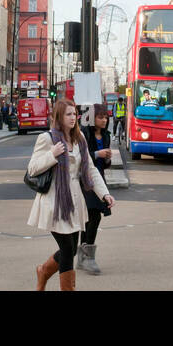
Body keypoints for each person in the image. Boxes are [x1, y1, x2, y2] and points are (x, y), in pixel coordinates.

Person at [29, 99, 115, 290]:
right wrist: (51, 154)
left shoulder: (80, 139)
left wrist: (104, 194)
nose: (72, 117)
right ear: (59, 117)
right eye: (68, 114)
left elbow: (91, 170)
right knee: (68, 249)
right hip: (55, 201)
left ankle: (43, 271)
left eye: (74, 114)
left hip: (75, 200)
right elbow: (32, 169)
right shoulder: (47, 139)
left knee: (70, 250)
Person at [78, 104, 114, 275]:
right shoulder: (85, 133)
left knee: (89, 218)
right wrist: (98, 154)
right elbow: (81, 158)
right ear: (93, 119)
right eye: (100, 117)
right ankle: (88, 257)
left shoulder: (106, 135)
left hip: (98, 178)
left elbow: (104, 165)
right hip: (85, 180)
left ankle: (82, 257)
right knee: (93, 216)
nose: (104, 120)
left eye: (106, 117)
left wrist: (107, 158)